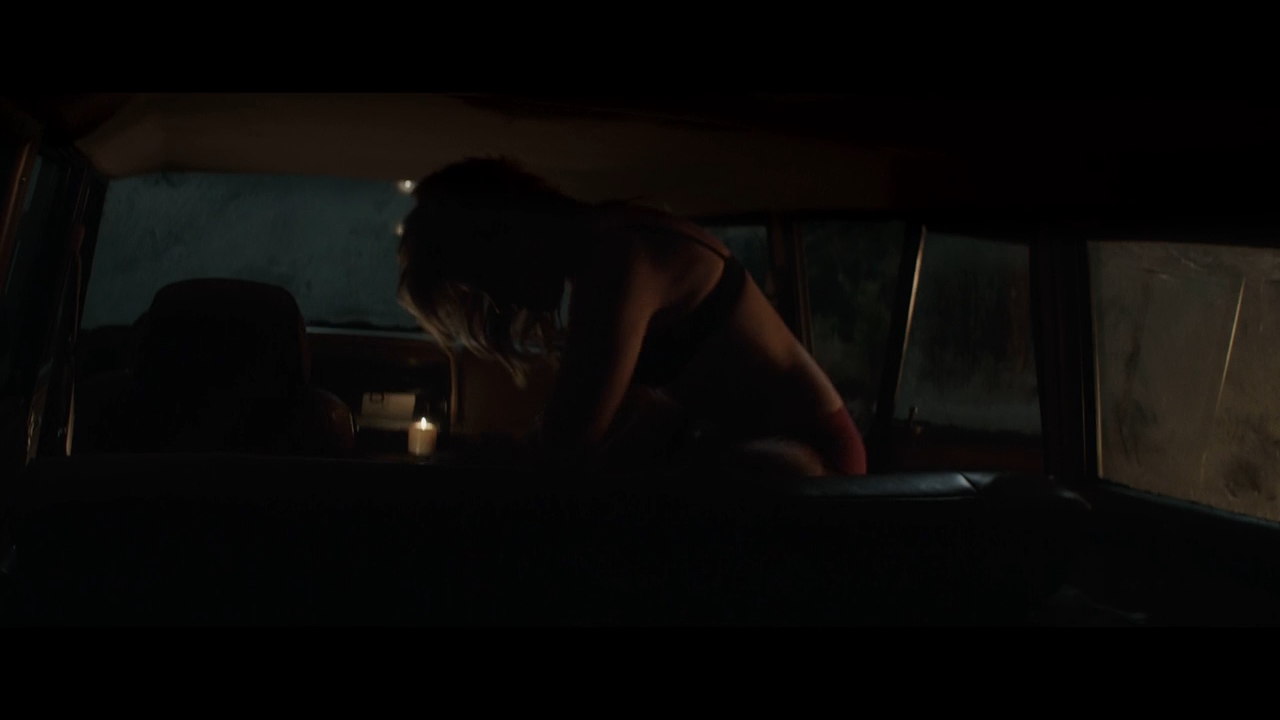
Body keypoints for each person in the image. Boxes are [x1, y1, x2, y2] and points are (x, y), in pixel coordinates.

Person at [397, 157, 866, 476]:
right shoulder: (606, 254)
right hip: (761, 456)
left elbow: (568, 445)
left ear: (503, 240)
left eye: (485, 279)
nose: (499, 300)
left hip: (810, 461)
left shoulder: (619, 261)